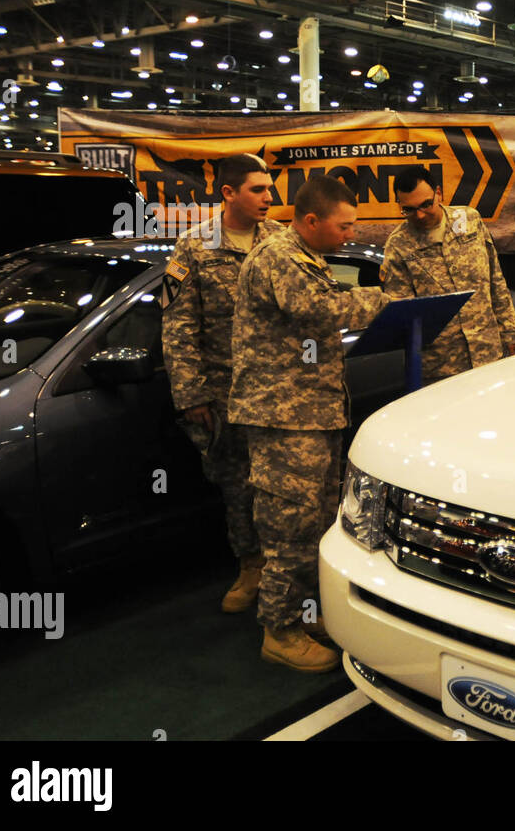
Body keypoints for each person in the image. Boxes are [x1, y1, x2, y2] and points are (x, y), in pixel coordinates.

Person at [229, 176, 395, 673]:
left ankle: (304, 613)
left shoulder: (306, 256)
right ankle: (278, 631)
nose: (350, 234)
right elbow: (317, 309)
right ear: (311, 221)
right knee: (290, 526)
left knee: (320, 519)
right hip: (283, 418)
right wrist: (384, 299)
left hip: (312, 413)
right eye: (343, 226)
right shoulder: (280, 256)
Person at [160, 152, 284, 615]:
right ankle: (250, 566)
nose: (268, 198)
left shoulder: (281, 241)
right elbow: (178, 326)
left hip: (279, 392)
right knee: (238, 487)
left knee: (280, 487)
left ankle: (283, 573)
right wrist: (191, 394)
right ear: (228, 192)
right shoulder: (195, 247)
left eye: (269, 188)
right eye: (258, 190)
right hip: (225, 392)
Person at [380, 165, 515, 383]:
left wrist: (511, 333)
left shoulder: (470, 220)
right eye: (409, 209)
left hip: (488, 355)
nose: (419, 215)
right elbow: (405, 314)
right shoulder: (398, 245)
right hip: (441, 368)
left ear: (439, 193)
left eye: (426, 204)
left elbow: (496, 280)